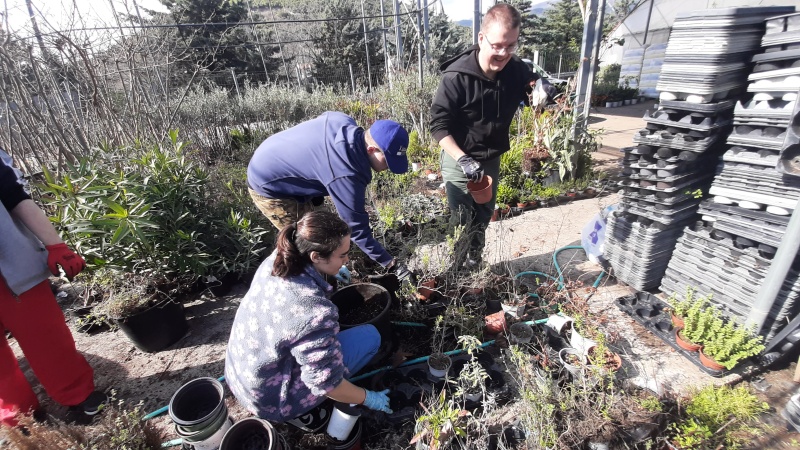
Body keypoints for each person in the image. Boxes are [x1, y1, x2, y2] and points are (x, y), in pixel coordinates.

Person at [224, 210, 392, 429]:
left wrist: (328, 273)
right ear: (316, 257)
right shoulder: (313, 312)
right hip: (272, 400)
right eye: (342, 255)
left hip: (242, 376)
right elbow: (326, 384)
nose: (347, 259)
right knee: (369, 337)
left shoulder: (276, 259)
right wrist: (368, 398)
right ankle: (301, 410)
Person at [430, 3, 549, 268]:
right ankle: (455, 267)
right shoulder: (457, 77)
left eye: (511, 45)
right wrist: (463, 160)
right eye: (497, 45)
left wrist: (540, 87)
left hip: (490, 157)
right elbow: (438, 125)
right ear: (482, 39)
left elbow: (530, 87)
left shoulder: (515, 68)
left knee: (483, 214)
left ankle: (474, 261)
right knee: (461, 217)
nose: (503, 53)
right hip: (458, 157)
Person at [0, 149, 107, 427]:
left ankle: (79, 395)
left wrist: (56, 245)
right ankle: (18, 417)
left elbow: (16, 197)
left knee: (46, 337)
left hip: (13, 272)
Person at [247, 112, 412, 281]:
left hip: (271, 152)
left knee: (326, 232)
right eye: (387, 160)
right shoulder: (345, 172)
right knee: (305, 243)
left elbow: (324, 122)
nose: (389, 167)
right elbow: (357, 230)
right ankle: (307, 285)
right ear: (371, 149)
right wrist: (391, 264)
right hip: (269, 185)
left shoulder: (344, 121)